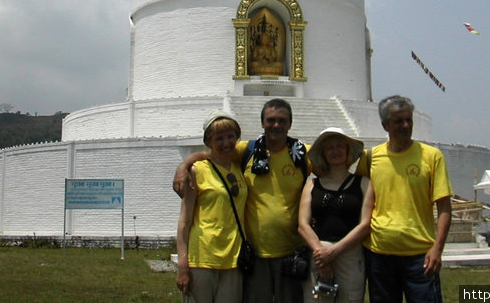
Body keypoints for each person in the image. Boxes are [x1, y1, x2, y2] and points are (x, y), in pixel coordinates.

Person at [174, 98, 310, 303]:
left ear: (290, 124)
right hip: (237, 254)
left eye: (282, 121)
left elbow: (332, 168)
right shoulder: (247, 152)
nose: (276, 125)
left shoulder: (301, 154)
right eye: (270, 120)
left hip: (276, 252)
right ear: (262, 123)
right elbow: (210, 154)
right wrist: (184, 165)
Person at [355, 95, 453, 303]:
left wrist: (437, 249)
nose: (405, 125)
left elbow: (444, 206)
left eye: (409, 120)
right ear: (385, 126)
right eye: (398, 121)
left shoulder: (431, 156)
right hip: (379, 252)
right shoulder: (370, 157)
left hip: (420, 254)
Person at [176, 111, 248, 303]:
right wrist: (183, 265)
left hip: (234, 258)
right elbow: (184, 222)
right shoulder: (197, 171)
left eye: (230, 136)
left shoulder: (240, 169)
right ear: (209, 141)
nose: (226, 143)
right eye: (219, 138)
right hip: (202, 257)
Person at [298, 127, 374, 303]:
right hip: (318, 250)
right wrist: (321, 254)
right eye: (330, 147)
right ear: (323, 154)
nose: (335, 151)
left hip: (349, 252)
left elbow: (365, 224)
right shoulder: (312, 184)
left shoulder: (363, 183)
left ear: (347, 150)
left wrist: (333, 251)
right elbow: (303, 224)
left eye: (340, 146)